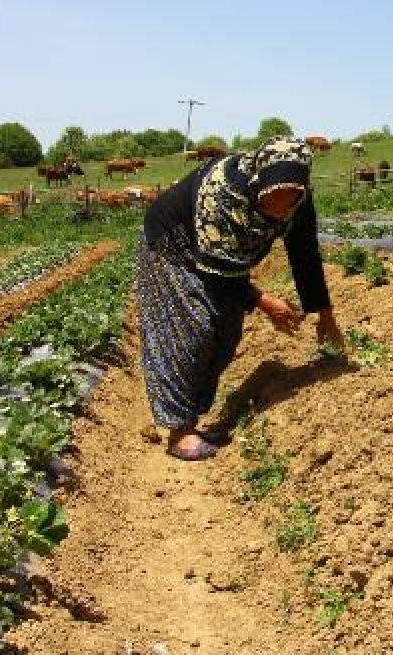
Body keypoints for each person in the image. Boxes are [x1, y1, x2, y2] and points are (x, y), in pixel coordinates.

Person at [136, 137, 343, 461]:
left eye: (290, 199)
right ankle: (179, 431)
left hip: (222, 259)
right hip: (172, 247)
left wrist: (325, 317)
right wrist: (263, 301)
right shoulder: (221, 194)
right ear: (259, 182)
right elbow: (217, 275)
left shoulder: (298, 197)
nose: (280, 208)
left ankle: (194, 417)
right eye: (273, 198)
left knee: (227, 332)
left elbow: (305, 254)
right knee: (194, 329)